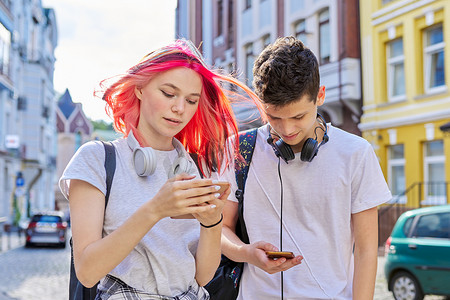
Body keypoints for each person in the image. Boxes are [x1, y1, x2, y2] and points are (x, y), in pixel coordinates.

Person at [59, 39, 261, 300]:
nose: (179, 109)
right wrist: (155, 210)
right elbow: (87, 272)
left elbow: (201, 277)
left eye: (191, 100)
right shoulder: (97, 159)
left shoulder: (189, 167)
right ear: (140, 88)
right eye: (168, 93)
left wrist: (212, 223)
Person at [218, 36, 392, 299]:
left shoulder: (356, 153)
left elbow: (367, 251)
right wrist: (245, 253)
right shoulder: (238, 150)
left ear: (319, 95)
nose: (287, 130)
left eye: (298, 116)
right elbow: (219, 228)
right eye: (274, 117)